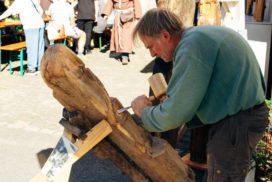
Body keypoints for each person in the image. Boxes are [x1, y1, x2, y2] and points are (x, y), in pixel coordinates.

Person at [131, 8, 269, 182]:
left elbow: (174, 115)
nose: (152, 54)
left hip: (236, 123)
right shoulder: (197, 37)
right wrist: (174, 99)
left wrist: (144, 112)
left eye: (151, 46)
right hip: (239, 119)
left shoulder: (191, 46)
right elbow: (192, 95)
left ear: (165, 35)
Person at [0, 0, 45, 75]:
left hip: (30, 25)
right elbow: (41, 11)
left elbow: (9, 11)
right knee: (39, 46)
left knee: (31, 46)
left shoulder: (20, 1)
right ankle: (40, 67)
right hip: (40, 23)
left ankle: (32, 69)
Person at [102, 0, 142, 65]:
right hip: (118, 16)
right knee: (118, 35)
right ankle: (121, 51)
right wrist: (106, 14)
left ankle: (125, 56)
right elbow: (110, 2)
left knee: (127, 35)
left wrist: (138, 15)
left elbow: (136, 2)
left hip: (129, 16)